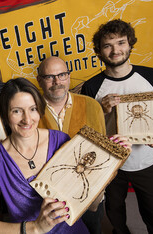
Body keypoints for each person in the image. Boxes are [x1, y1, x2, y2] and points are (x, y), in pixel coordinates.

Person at [0, 78, 131, 233]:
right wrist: (36, 228)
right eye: (16, 111)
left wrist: (109, 165)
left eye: (33, 109)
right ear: (4, 114)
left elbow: (92, 206)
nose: (27, 119)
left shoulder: (61, 140)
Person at [81, 19, 153, 234]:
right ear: (99, 51)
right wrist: (100, 109)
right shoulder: (92, 86)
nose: (115, 51)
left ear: (130, 44)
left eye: (121, 43)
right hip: (111, 166)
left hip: (146, 162)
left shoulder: (150, 76)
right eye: (108, 45)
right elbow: (87, 131)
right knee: (115, 221)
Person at [37, 56, 106, 234]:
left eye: (62, 75)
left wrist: (98, 195)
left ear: (69, 76)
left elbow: (104, 153)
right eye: (49, 77)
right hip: (51, 200)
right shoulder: (32, 112)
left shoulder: (92, 106)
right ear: (39, 80)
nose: (57, 81)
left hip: (89, 196)